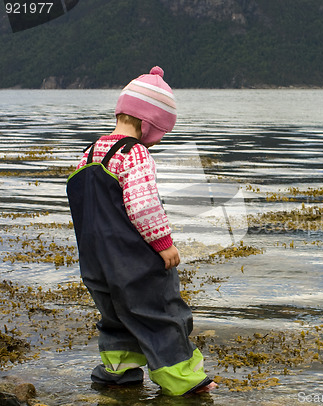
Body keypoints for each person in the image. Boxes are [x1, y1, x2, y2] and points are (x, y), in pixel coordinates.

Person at [66, 66, 217, 396]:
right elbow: (143, 205)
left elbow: (84, 206)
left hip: (95, 263)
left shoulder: (88, 154)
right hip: (134, 261)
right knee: (161, 314)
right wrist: (163, 244)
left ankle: (118, 373)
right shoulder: (134, 154)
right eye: (161, 131)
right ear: (148, 125)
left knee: (115, 315)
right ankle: (185, 381)